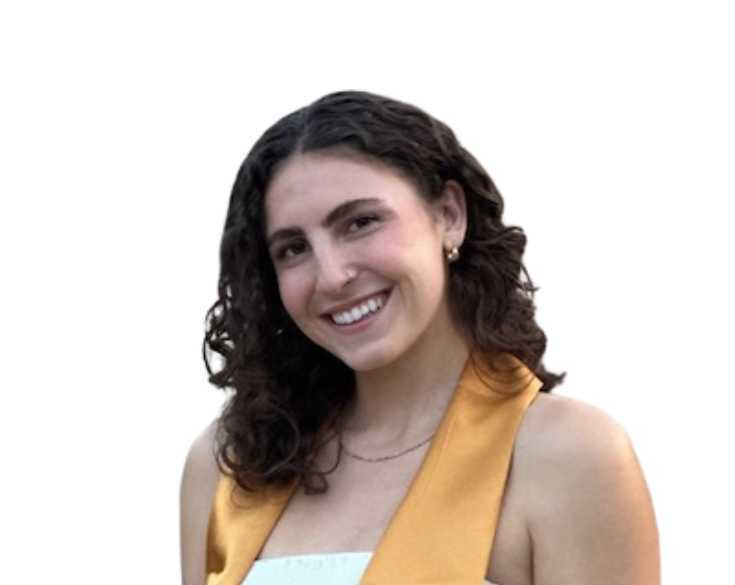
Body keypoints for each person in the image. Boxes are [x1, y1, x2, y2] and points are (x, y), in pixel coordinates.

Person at [180, 90, 660, 585]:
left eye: (360, 222)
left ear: (449, 215)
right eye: (293, 248)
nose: (331, 276)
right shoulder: (229, 463)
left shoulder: (571, 456)